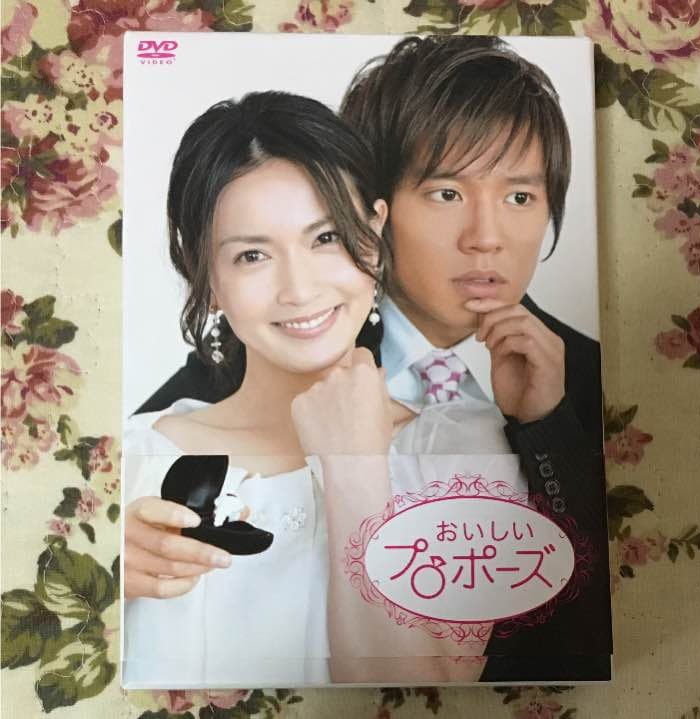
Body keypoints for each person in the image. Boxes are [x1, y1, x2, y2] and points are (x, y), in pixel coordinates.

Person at [131, 37, 612, 683]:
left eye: (520, 197)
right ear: (376, 209)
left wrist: (546, 428)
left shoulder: (586, 377)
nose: (487, 237)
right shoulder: (265, 344)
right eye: (446, 193)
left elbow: (592, 634)